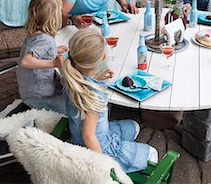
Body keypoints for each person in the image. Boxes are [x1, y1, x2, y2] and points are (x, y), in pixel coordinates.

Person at [61, 28, 158, 173]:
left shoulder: (71, 77)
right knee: (152, 154)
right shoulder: (93, 95)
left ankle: (123, 145)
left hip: (83, 136)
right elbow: (88, 136)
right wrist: (103, 167)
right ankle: (120, 158)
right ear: (102, 57)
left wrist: (98, 76)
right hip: (97, 147)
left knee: (134, 126)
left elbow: (88, 68)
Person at [16, 0, 68, 115]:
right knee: (72, 110)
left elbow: (38, 51)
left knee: (68, 95)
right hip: (38, 97)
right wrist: (54, 62)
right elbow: (26, 61)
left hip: (31, 91)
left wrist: (54, 50)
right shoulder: (44, 39)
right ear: (54, 17)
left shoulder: (37, 35)